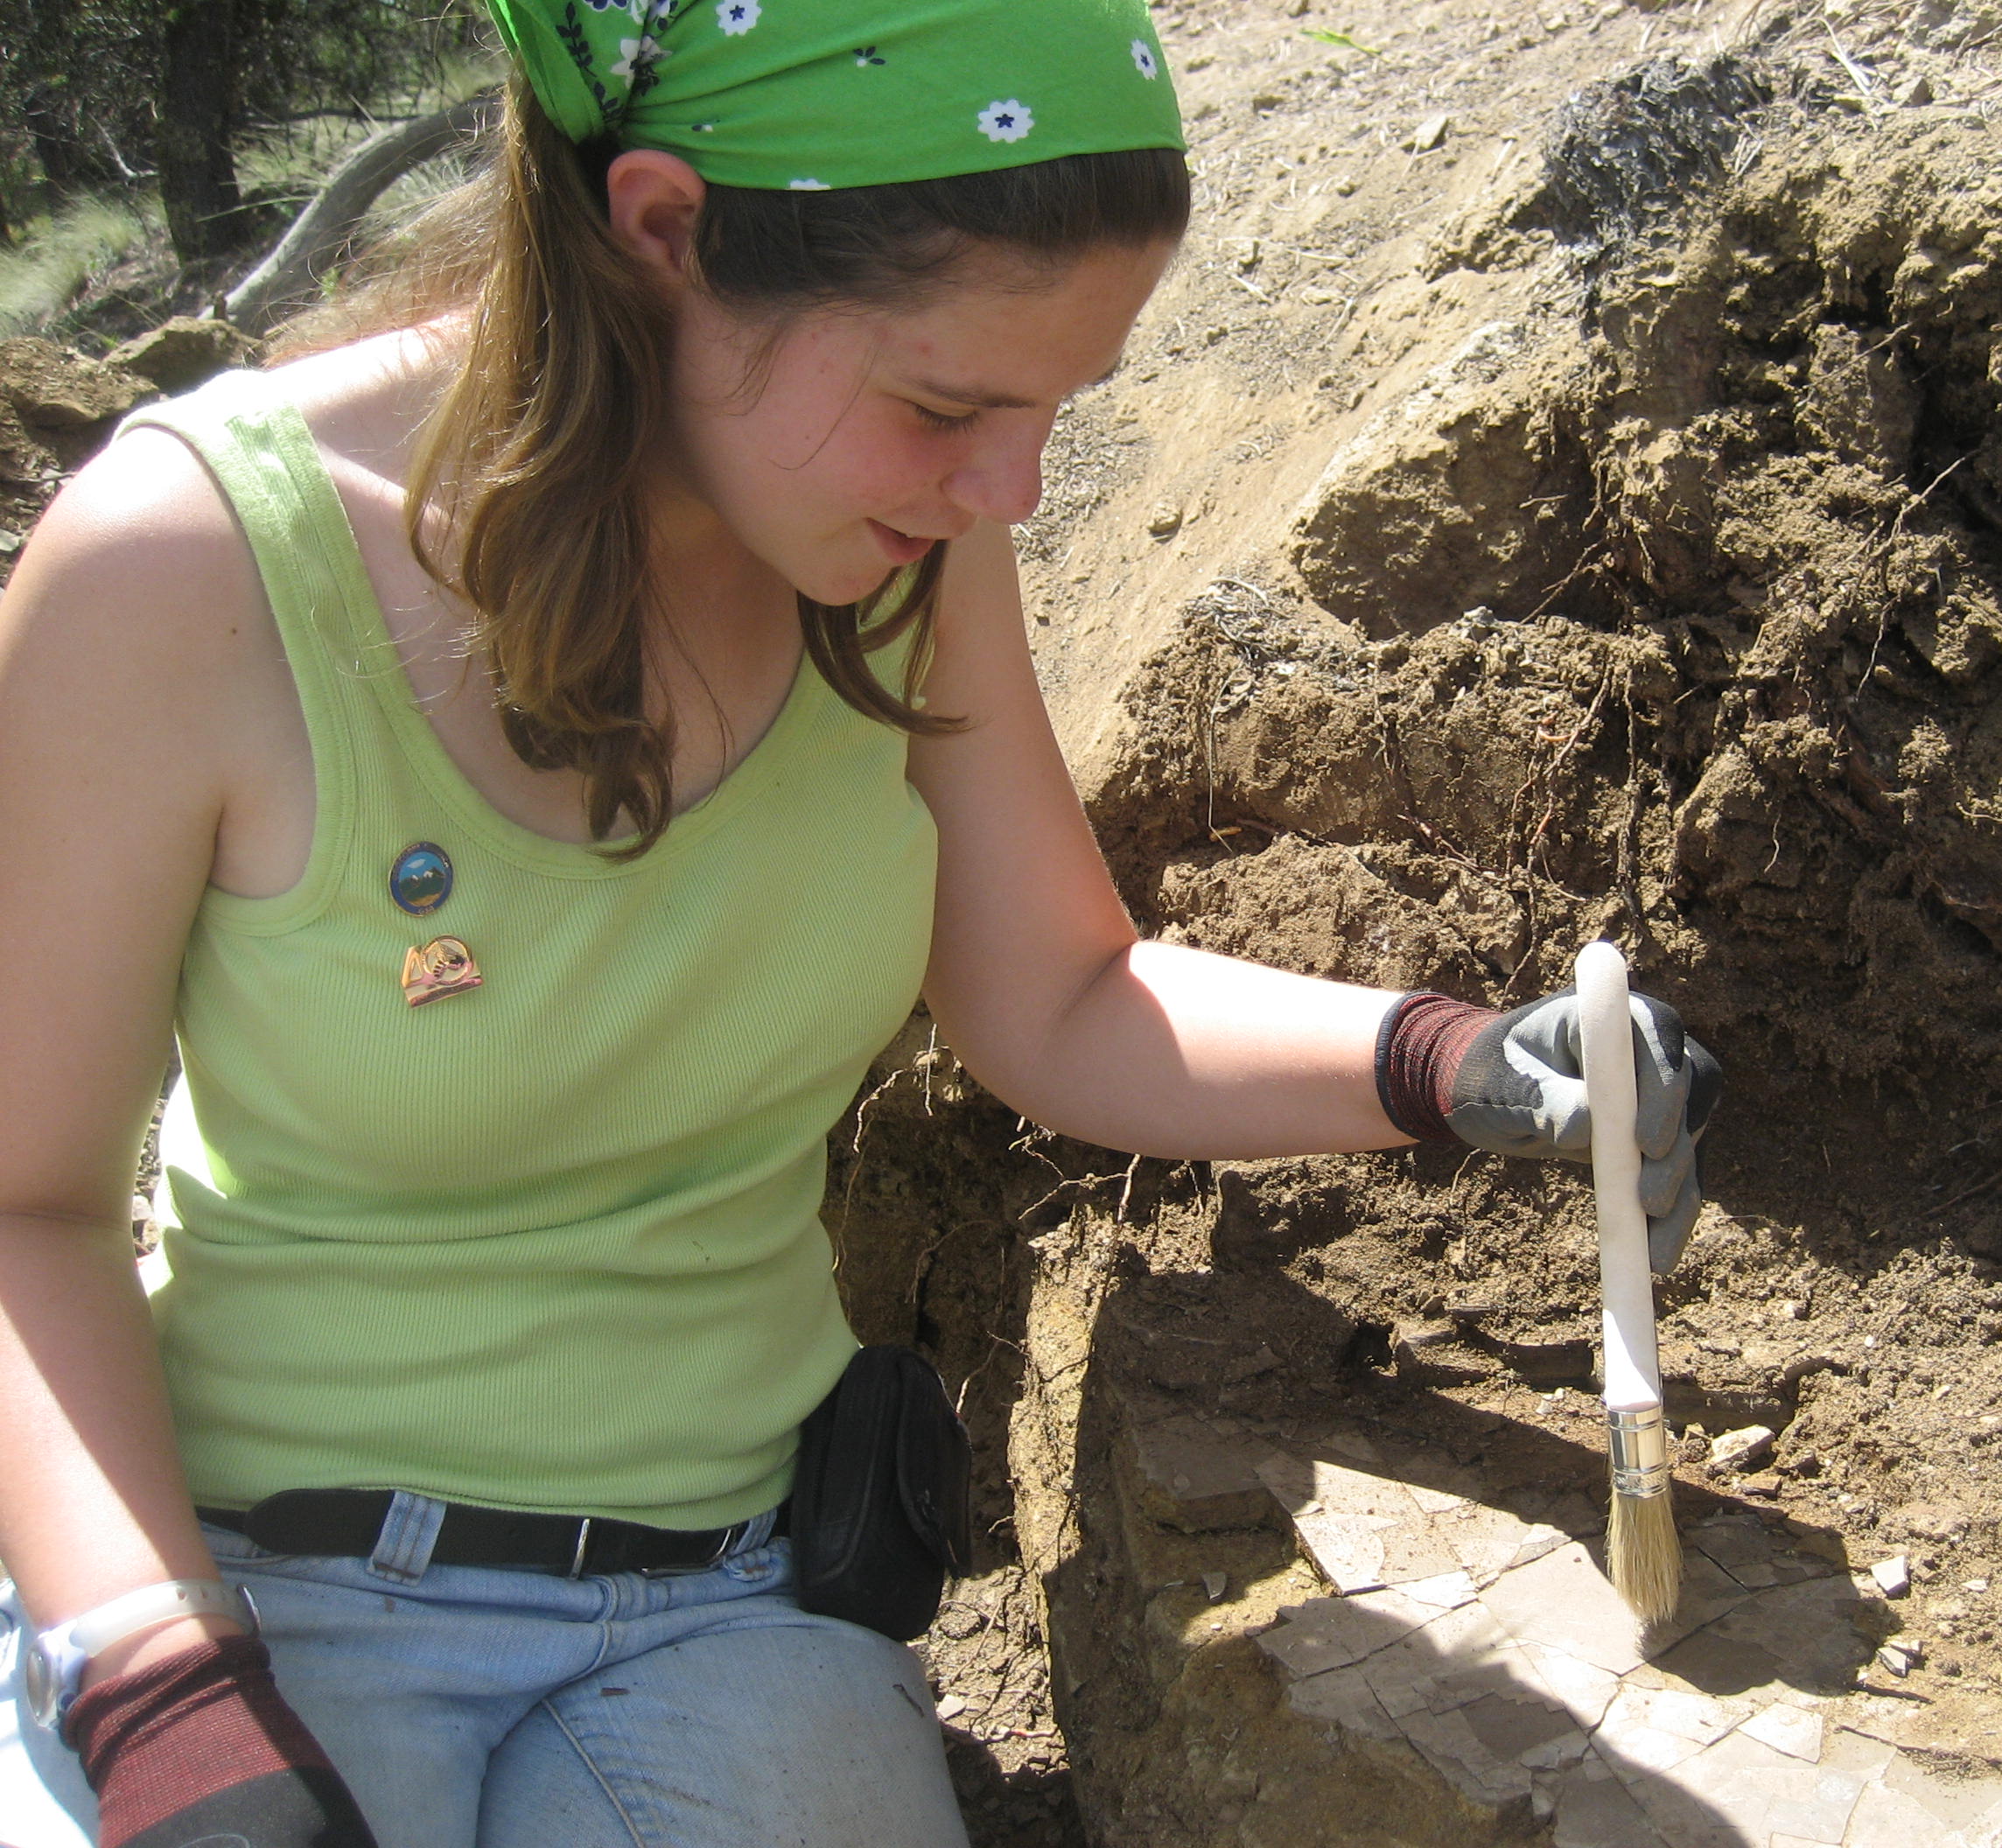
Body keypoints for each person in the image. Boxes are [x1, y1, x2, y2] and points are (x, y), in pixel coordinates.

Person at [0, 2, 1718, 1844]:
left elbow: (1061, 995)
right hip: (256, 1591)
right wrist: (161, 1704)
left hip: (735, 1601)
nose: (1013, 493)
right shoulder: (187, 572)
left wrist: (1450, 1062)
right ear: (662, 232)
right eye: (949, 403)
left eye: (1055, 410)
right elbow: (22, 1209)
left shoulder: (895, 539)